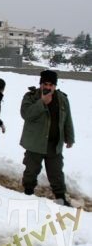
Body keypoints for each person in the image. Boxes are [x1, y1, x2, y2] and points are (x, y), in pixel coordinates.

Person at [20, 70, 75, 206]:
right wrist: (42, 102)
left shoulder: (62, 99)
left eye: (51, 84)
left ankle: (60, 198)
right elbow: (26, 114)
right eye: (45, 84)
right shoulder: (31, 97)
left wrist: (70, 137)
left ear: (55, 86)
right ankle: (28, 194)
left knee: (56, 173)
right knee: (31, 171)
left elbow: (67, 119)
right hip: (35, 143)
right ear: (41, 84)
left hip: (54, 144)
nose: (48, 87)